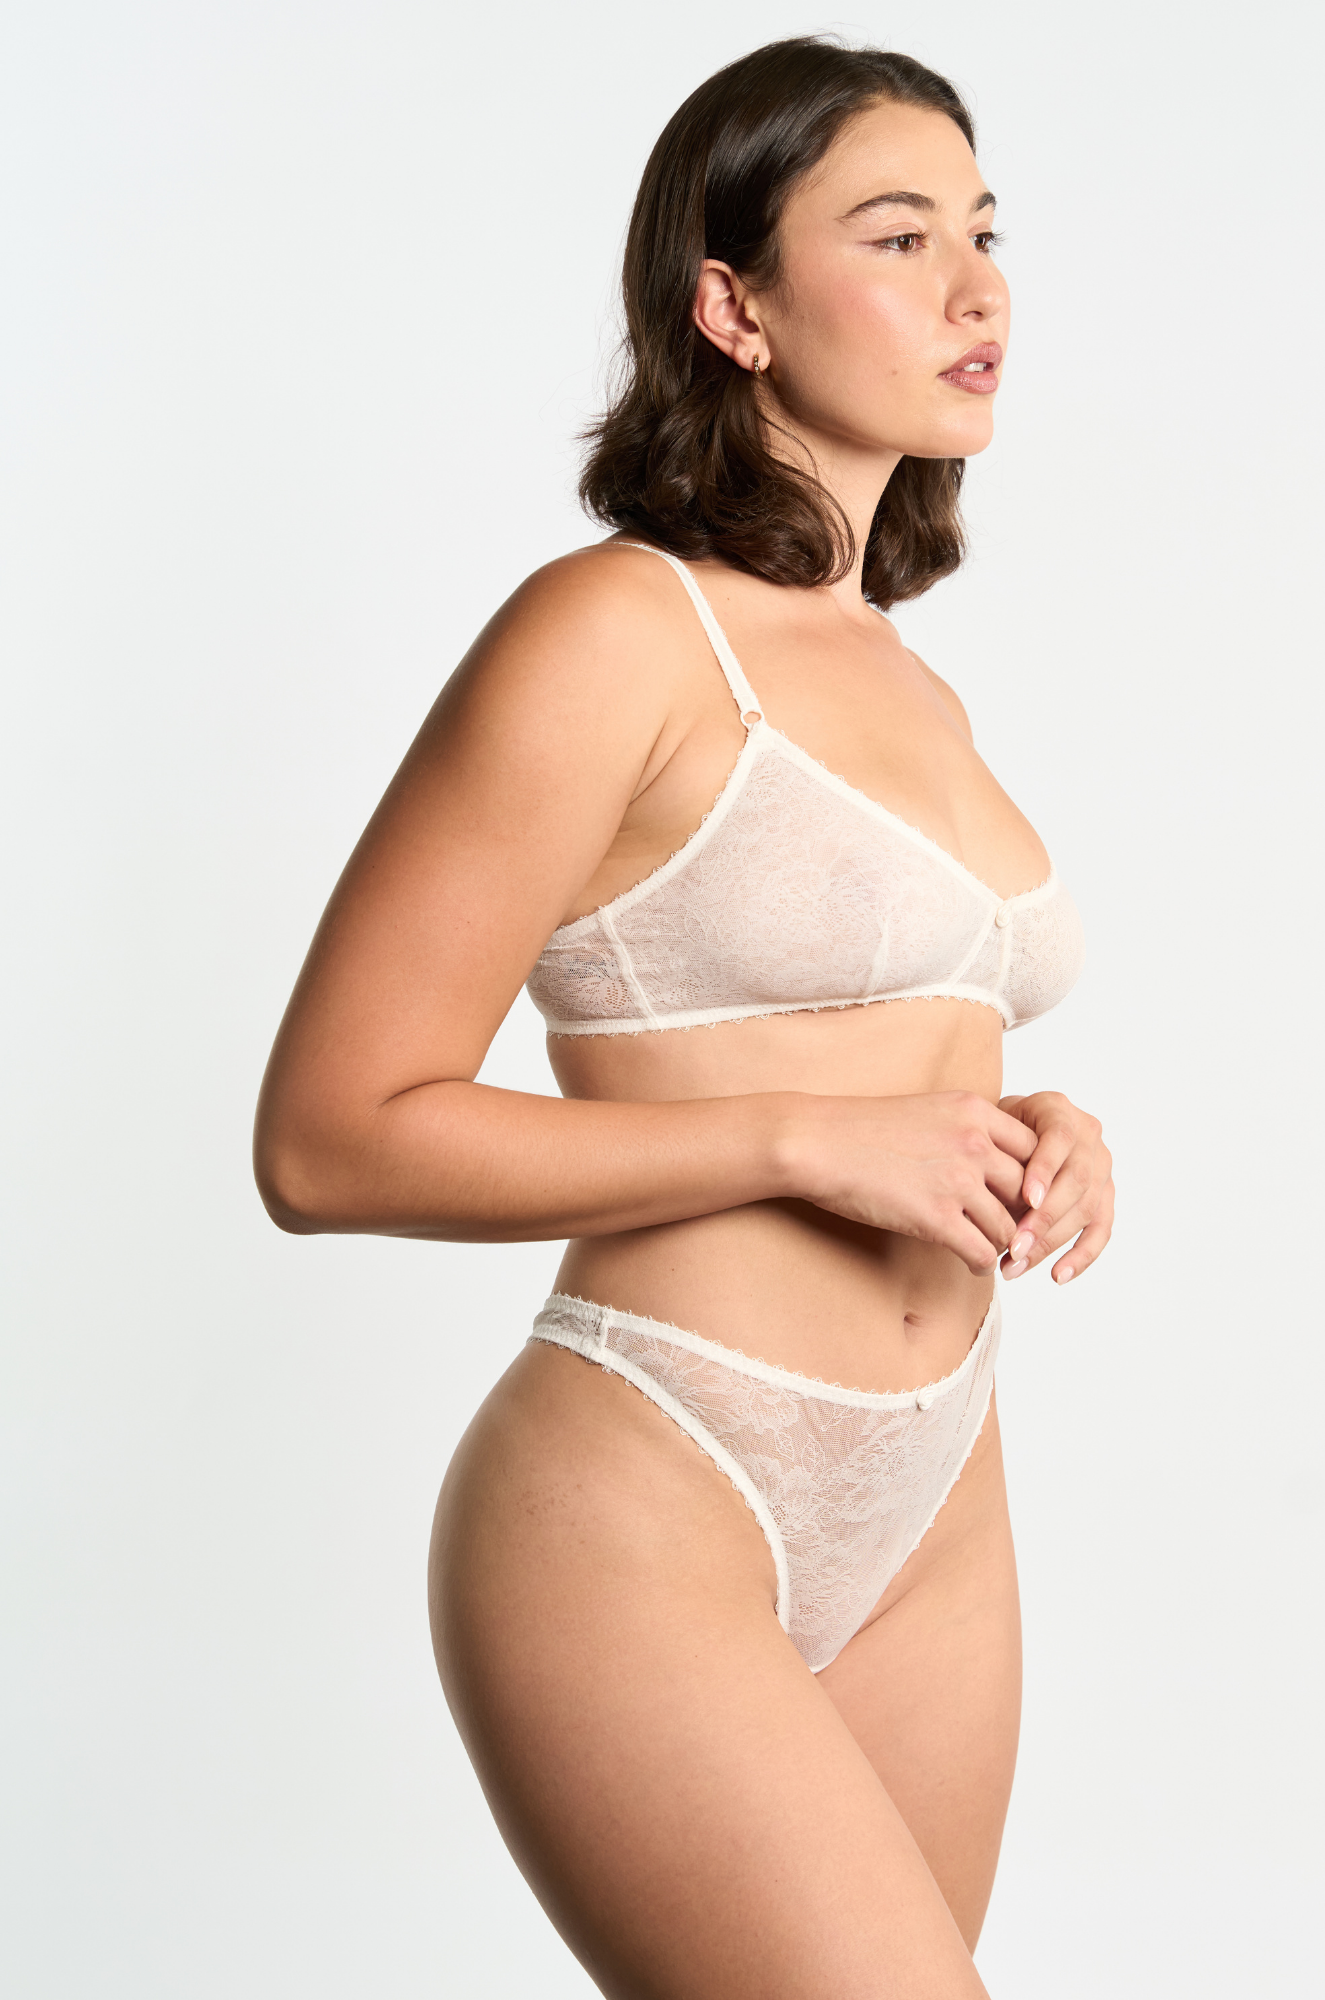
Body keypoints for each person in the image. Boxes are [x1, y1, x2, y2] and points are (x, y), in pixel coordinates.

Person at [255, 35, 1114, 1997]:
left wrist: (1036, 1129)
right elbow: (326, 1137)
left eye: (984, 235)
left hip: (934, 1492)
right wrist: (809, 1143)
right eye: (895, 236)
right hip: (655, 1485)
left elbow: (885, 1036)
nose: (975, 289)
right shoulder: (618, 630)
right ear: (732, 306)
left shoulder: (906, 676)